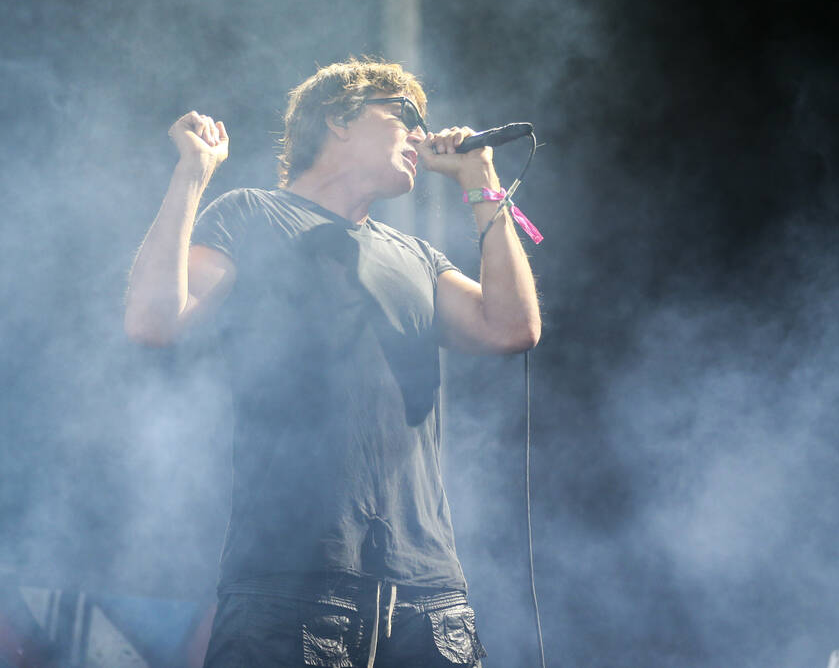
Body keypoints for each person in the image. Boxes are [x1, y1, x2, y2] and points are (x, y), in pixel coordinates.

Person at [124, 59, 540, 668]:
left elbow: (512, 327)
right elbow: (153, 321)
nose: (423, 135)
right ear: (340, 121)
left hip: (428, 596)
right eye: (404, 115)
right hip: (292, 585)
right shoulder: (250, 214)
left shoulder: (418, 257)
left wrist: (481, 182)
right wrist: (192, 177)